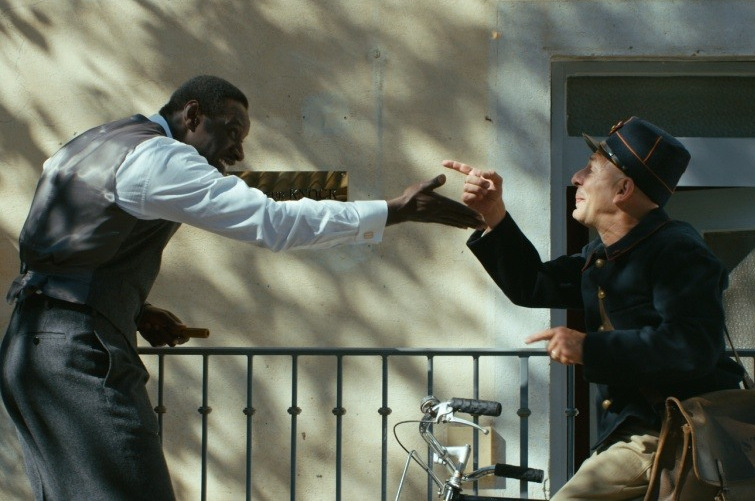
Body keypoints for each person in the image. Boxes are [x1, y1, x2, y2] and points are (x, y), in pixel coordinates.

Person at [0, 75, 484, 501]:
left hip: (30, 348)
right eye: (232, 132)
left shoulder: (91, 144)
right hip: (79, 355)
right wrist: (395, 210)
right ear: (193, 115)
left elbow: (57, 254)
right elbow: (272, 223)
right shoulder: (160, 157)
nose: (238, 152)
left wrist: (133, 308)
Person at [444, 116, 744, 500]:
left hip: (674, 432)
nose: (576, 178)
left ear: (623, 189)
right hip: (640, 433)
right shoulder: (605, 254)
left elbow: (692, 346)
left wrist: (589, 347)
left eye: (590, 169)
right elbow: (534, 283)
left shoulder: (678, 250)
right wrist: (494, 214)